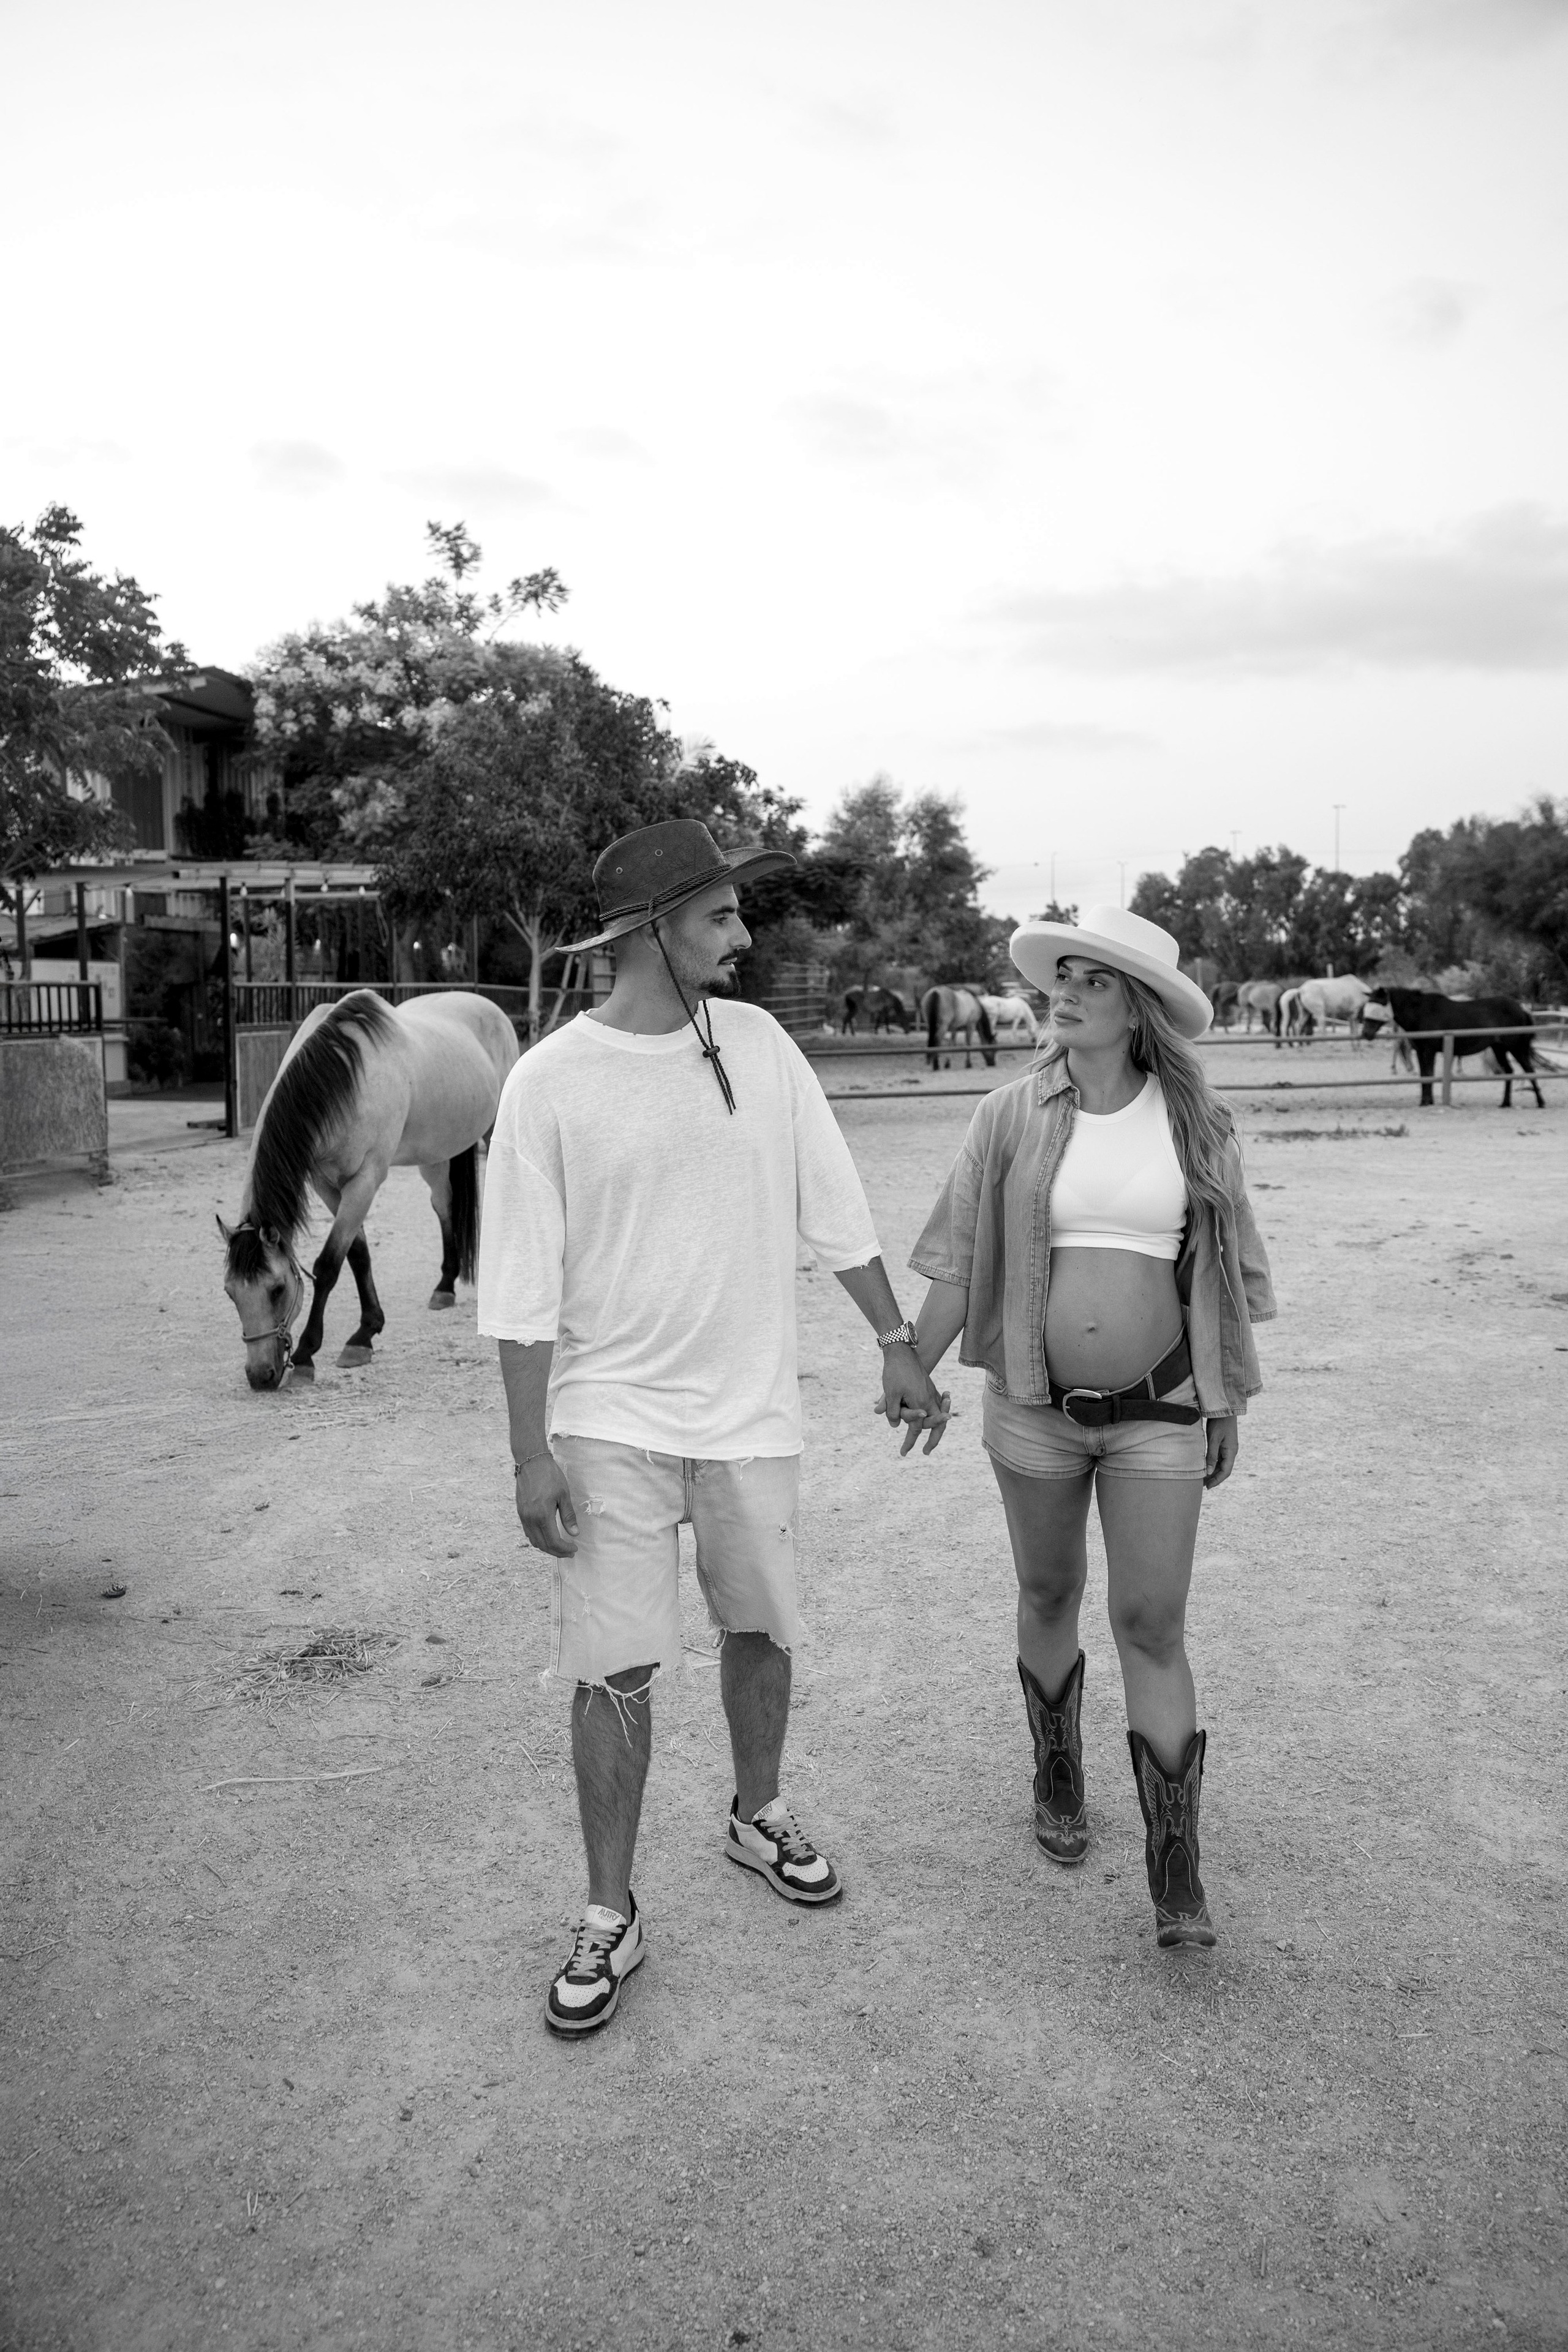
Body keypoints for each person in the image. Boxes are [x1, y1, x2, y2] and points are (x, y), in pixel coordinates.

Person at [477, 818, 948, 2035]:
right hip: (608, 1419)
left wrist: (895, 1342)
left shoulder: (761, 1046)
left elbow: (831, 1204)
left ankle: (757, 1812)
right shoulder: (549, 1082)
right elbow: (520, 1284)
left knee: (760, 1627)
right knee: (612, 1665)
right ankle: (608, 1911)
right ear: (649, 930)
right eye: (720, 916)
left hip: (748, 1410)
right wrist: (529, 1454)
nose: (742, 937)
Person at [903, 907, 1275, 1948]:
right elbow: (958, 1255)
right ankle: (1057, 1767)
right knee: (1048, 1590)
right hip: (1035, 1409)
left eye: (1092, 980)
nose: (1063, 993)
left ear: (1138, 1007)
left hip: (1161, 1409)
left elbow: (1225, 1276)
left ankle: (1175, 1866)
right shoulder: (1008, 1114)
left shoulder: (1196, 1122)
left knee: (1152, 1622)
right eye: (1059, 976)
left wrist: (1224, 1398)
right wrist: (910, 1362)